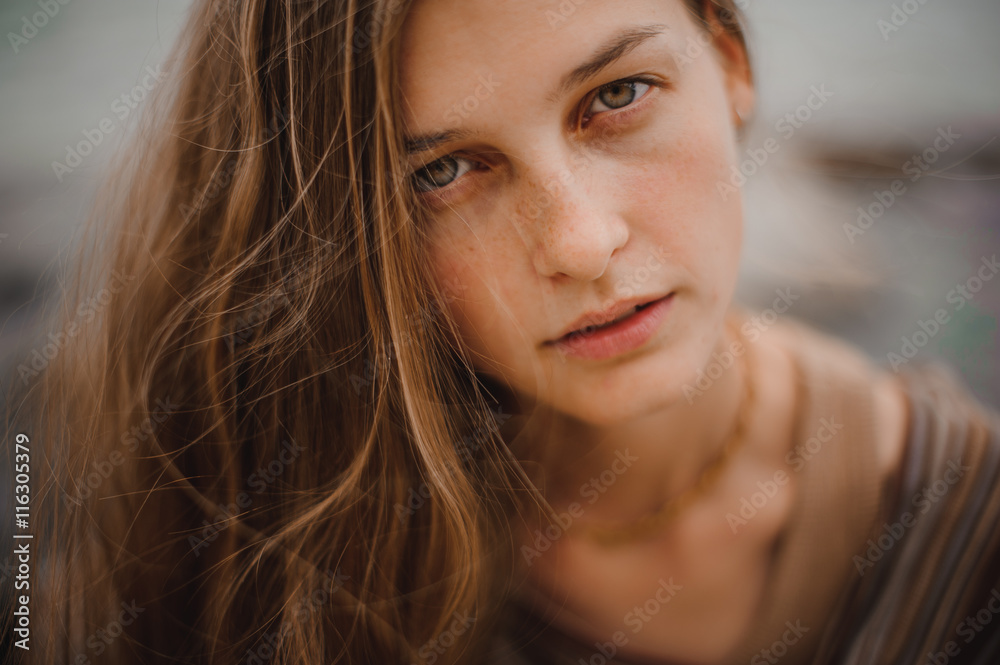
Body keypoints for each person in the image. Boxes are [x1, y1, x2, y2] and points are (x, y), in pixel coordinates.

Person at [8, 1, 999, 664]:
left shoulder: (965, 528)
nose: (578, 242)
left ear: (729, 62)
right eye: (440, 173)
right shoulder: (271, 536)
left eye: (617, 96)